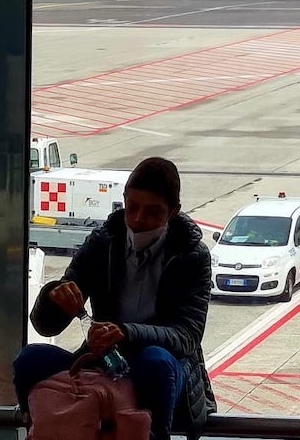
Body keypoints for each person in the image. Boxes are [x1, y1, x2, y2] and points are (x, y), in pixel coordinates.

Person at [13, 157, 216, 440]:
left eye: (152, 212)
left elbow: (187, 337)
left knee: (155, 362)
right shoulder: (103, 241)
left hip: (165, 366)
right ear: (124, 200)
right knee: (30, 359)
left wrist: (126, 332)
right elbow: (46, 326)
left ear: (173, 212)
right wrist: (54, 297)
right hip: (105, 359)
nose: (138, 220)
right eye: (132, 208)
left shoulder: (192, 256)